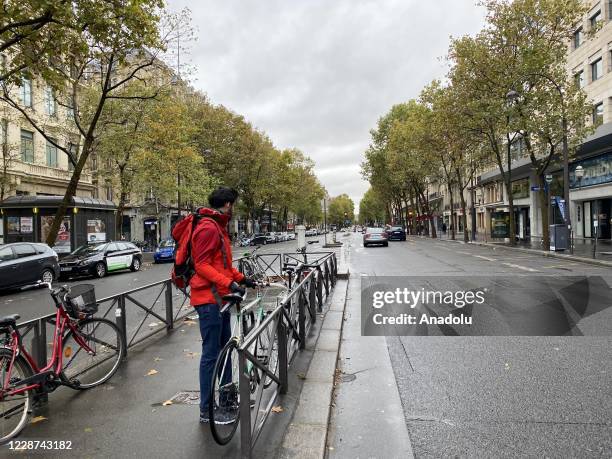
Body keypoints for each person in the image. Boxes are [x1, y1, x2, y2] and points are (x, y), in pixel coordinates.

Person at [190, 187, 256, 424]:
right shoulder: (208, 227)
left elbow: (223, 264)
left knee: (226, 351)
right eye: (234, 203)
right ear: (228, 204)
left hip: (220, 299)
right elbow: (202, 265)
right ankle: (206, 409)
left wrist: (240, 278)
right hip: (208, 301)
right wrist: (229, 282)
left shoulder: (218, 226)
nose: (234, 207)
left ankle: (227, 399)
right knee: (211, 355)